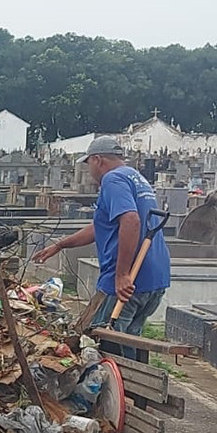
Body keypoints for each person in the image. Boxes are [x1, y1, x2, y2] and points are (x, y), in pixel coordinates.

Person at [33, 136, 170, 359]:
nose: (89, 172)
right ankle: (140, 391)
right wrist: (60, 245)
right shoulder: (136, 178)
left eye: (88, 165)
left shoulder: (113, 180)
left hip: (130, 281)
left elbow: (131, 220)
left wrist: (122, 275)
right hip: (155, 278)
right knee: (133, 341)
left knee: (104, 342)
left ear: (97, 160)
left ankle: (120, 391)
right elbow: (100, 226)